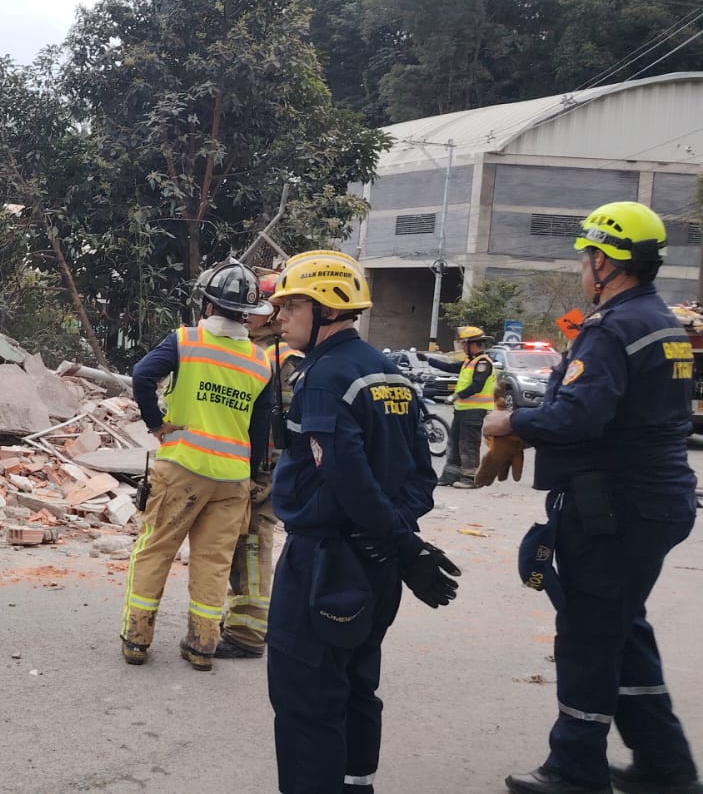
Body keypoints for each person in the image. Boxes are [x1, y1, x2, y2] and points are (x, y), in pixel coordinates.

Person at [480, 202, 700, 794]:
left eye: (586, 254)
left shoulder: (613, 329)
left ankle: (576, 768)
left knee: (588, 635)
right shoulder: (664, 324)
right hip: (656, 498)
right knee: (622, 627)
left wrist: (512, 422)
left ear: (606, 260)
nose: (582, 264)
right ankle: (666, 765)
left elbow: (579, 415)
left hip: (616, 507)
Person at [265, 250, 459, 793]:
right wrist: (400, 543)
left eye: (291, 305)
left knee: (306, 695)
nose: (281, 317)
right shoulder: (387, 371)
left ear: (326, 307)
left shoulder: (324, 378)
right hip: (374, 566)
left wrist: (397, 541)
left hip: (327, 561)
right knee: (355, 686)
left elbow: (346, 480)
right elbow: (424, 472)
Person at [122, 258, 274, 671]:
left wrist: (157, 425)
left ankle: (137, 639)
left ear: (207, 305)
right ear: (247, 314)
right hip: (232, 480)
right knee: (213, 562)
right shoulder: (262, 362)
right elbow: (261, 429)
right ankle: (202, 647)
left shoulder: (185, 341)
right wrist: (256, 473)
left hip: (182, 467)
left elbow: (141, 376)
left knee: (154, 550)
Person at [216, 271, 302, 660]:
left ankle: (247, 631)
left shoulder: (277, 357)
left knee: (251, 542)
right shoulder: (265, 351)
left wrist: (257, 474)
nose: (244, 315)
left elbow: (270, 420)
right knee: (245, 542)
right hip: (257, 464)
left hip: (261, 468)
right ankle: (245, 621)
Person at [429, 326, 495, 489]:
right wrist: (428, 360)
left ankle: (470, 478)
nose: (463, 347)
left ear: (473, 344)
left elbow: (477, 386)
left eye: (464, 344)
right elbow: (450, 367)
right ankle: (450, 475)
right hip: (462, 410)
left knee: (468, 444)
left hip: (474, 411)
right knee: (455, 442)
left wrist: (456, 396)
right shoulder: (469, 361)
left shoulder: (483, 363)